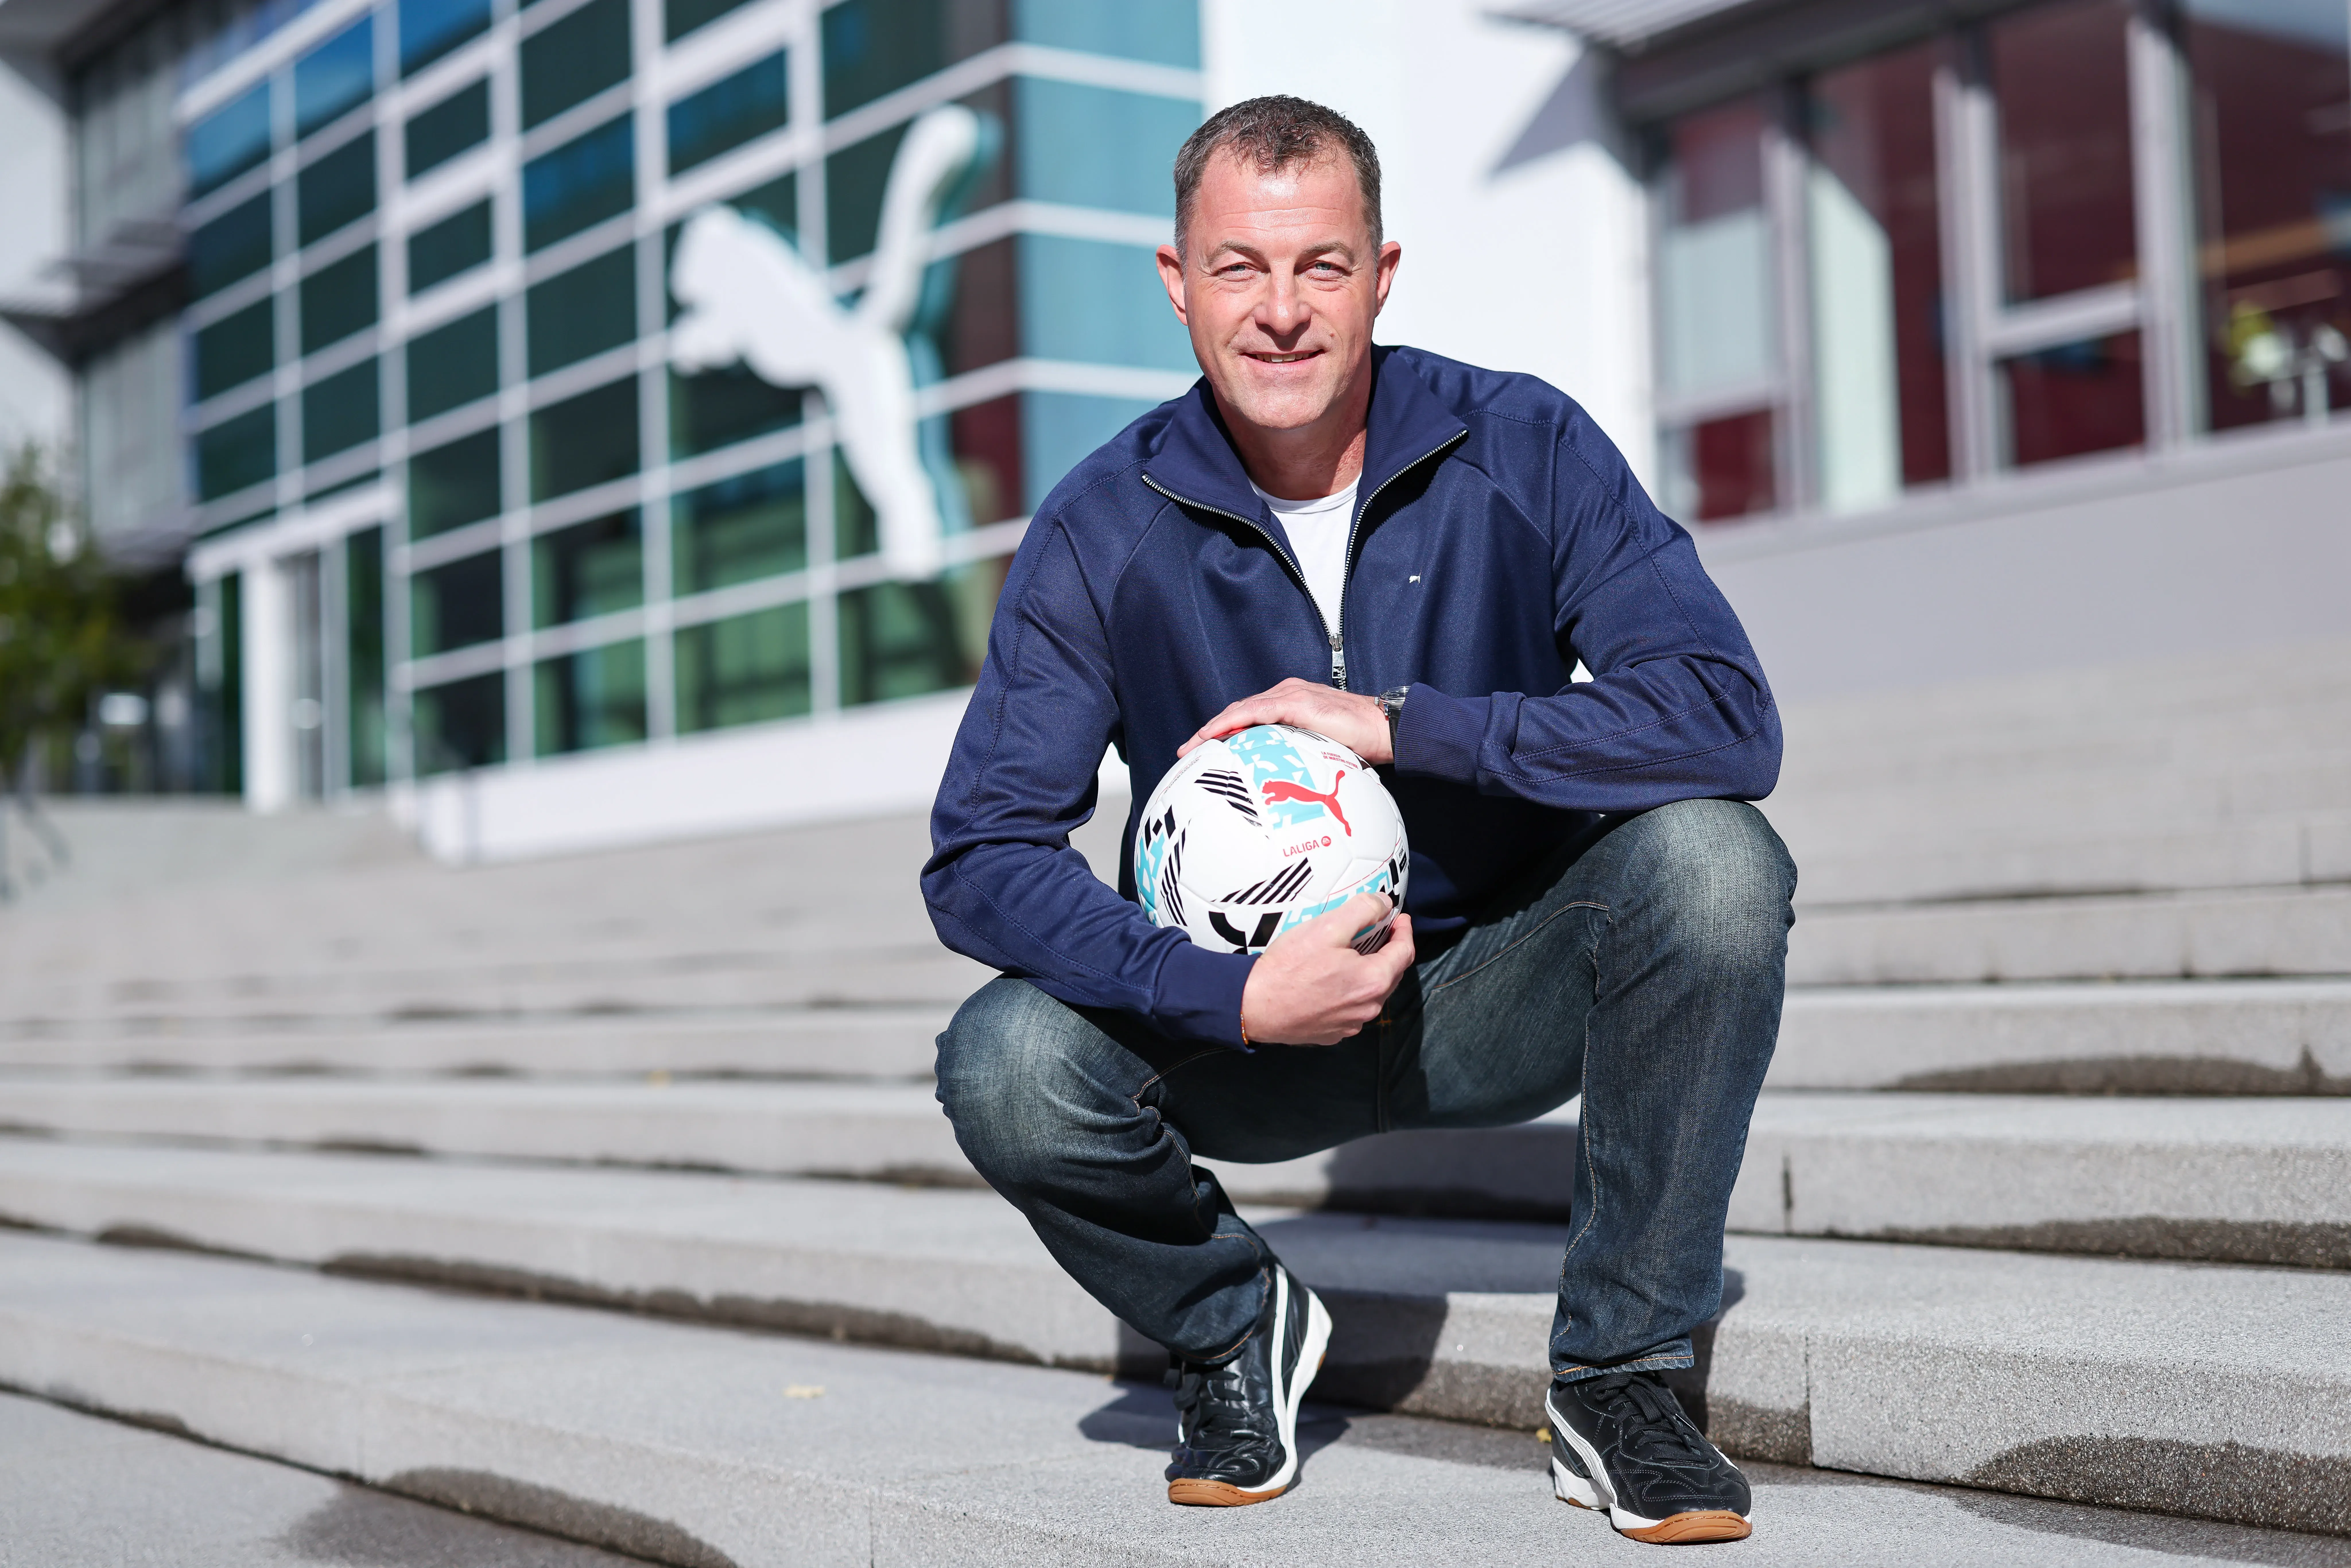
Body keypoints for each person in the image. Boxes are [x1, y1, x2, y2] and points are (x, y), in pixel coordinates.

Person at [922, 95, 1794, 1547]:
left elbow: (1722, 715)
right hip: (1240, 1029)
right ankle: (1229, 1326)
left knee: (1712, 866)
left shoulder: (1520, 443)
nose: (1277, 313)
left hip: (1493, 984)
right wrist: (1222, 987)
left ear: (1381, 275)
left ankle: (1621, 1377)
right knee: (1003, 1061)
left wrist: (1400, 721)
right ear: (1177, 281)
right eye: (1239, 268)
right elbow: (983, 852)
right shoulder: (1099, 526)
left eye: (1319, 267)